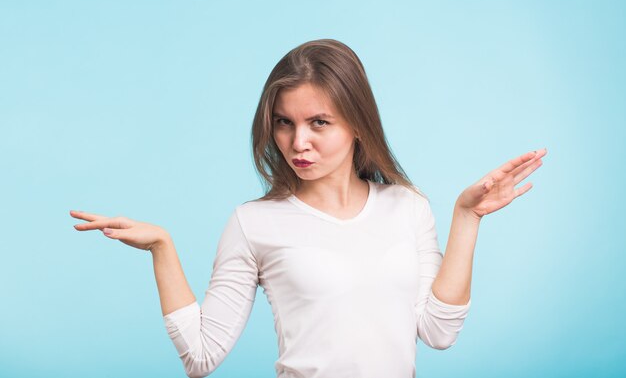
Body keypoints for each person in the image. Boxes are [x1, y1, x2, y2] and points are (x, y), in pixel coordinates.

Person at [70, 39, 547, 378]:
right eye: (284, 123)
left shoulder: (408, 207)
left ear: (358, 123)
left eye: (319, 122)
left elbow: (438, 333)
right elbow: (201, 356)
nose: (298, 143)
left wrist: (466, 217)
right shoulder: (254, 223)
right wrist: (161, 247)